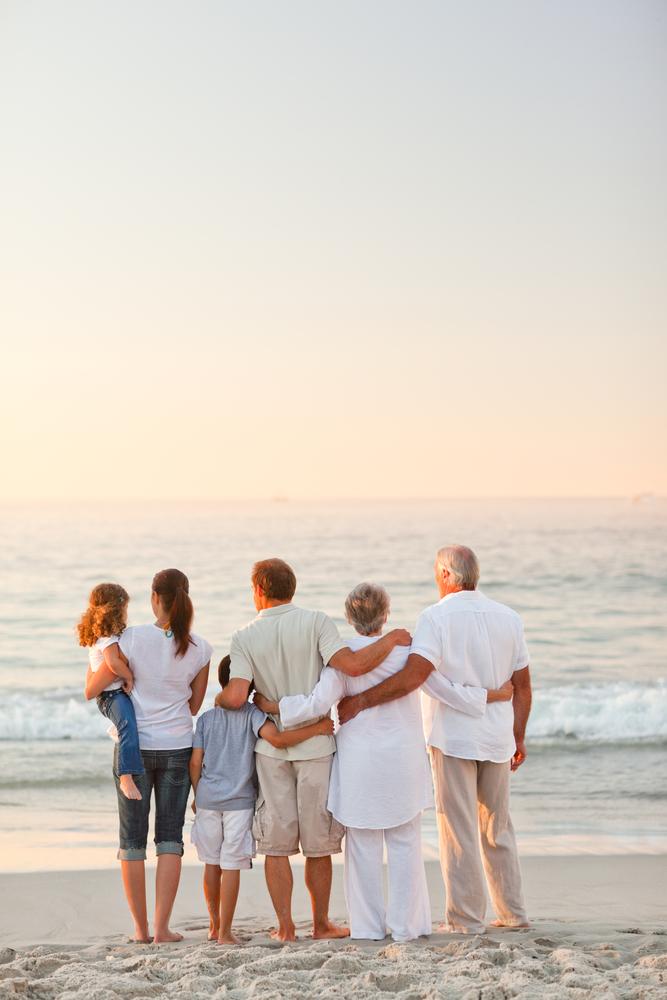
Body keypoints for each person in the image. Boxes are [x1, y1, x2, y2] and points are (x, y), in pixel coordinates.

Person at [257, 582, 513, 942]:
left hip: (360, 764)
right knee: (405, 845)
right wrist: (491, 696)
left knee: (363, 848)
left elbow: (315, 703)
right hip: (402, 762)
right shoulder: (407, 653)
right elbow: (444, 690)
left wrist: (272, 706)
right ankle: (408, 928)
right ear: (386, 615)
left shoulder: (342, 660)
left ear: (349, 618)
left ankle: (367, 928)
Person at [338, 546, 533, 935]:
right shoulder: (509, 617)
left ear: (446, 574)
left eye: (435, 572)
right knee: (497, 828)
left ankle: (466, 919)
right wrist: (518, 736)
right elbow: (523, 686)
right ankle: (512, 913)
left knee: (457, 829)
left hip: (454, 737)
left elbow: (416, 676)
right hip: (497, 737)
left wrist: (360, 701)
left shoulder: (435, 617)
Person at [216, 557, 412, 942]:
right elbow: (352, 666)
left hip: (271, 751)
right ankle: (321, 924)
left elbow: (237, 696)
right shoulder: (317, 622)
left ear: (259, 589)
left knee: (276, 845)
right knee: (317, 843)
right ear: (292, 587)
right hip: (317, 747)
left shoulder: (243, 636)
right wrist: (390, 640)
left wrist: (219, 700)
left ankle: (286, 927)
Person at [85, 568, 211, 944]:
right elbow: (194, 706)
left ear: (155, 598)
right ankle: (162, 929)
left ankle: (140, 930)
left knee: (132, 841)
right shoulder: (201, 648)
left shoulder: (130, 637)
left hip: (134, 749)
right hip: (177, 747)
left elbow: (96, 685)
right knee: (170, 838)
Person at [190, 655, 335, 945]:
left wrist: (196, 794)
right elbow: (278, 740)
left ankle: (214, 926)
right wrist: (317, 729)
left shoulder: (206, 718)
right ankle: (226, 933)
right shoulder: (252, 715)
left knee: (211, 863)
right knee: (231, 864)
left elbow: (195, 762)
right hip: (239, 803)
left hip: (207, 801)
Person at [80, 583, 144, 800]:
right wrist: (129, 676)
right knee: (128, 726)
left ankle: (119, 736)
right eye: (125, 608)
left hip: (110, 694)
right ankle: (126, 777)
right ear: (117, 610)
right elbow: (113, 663)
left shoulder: (101, 635)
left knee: (127, 724)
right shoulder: (107, 638)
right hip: (111, 695)